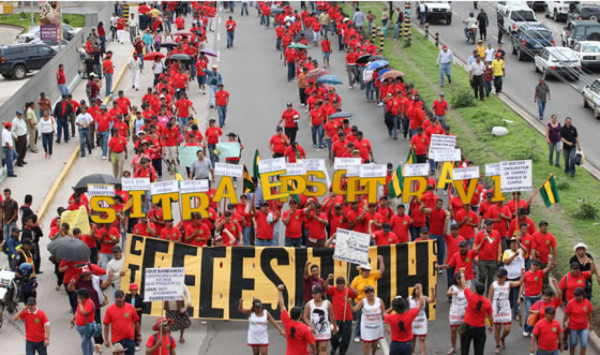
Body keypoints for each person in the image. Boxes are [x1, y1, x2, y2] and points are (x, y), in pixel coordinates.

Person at [488, 268, 524, 354]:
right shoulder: (493, 285)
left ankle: (502, 338)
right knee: (497, 328)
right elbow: (489, 298)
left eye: (501, 278)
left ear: (505, 277)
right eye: (498, 277)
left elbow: (519, 282)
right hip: (496, 308)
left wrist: (523, 274)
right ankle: (497, 345)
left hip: (506, 308)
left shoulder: (508, 284)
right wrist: (488, 311)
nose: (499, 279)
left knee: (507, 328)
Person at [350, 255, 385, 342]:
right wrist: (349, 287)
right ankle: (358, 335)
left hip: (371, 302)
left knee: (373, 319)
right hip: (360, 302)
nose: (367, 272)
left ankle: (374, 336)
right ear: (361, 270)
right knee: (360, 319)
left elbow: (381, 270)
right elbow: (352, 289)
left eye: (368, 270)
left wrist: (381, 261)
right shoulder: (356, 279)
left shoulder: (373, 276)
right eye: (365, 270)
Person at [277, 284, 316, 354]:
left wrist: (280, 292)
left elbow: (282, 306)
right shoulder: (304, 328)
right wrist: (314, 350)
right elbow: (312, 343)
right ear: (300, 315)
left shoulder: (287, 322)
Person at [324, 275, 357, 355]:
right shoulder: (334, 290)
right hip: (336, 319)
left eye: (342, 283)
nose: (340, 285)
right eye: (338, 284)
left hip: (347, 318)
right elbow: (325, 286)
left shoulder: (347, 290)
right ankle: (334, 347)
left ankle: (342, 352)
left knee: (346, 339)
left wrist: (350, 287)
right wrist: (328, 279)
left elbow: (356, 294)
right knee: (334, 337)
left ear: (344, 284)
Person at [461, 277, 494, 355]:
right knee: (479, 350)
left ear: (476, 290)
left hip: (468, 326)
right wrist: (491, 325)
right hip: (480, 328)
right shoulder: (487, 302)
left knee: (465, 348)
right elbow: (490, 316)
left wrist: (462, 274)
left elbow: (464, 285)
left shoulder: (471, 297)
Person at [103, 289, 140, 355]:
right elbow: (106, 324)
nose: (118, 299)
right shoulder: (109, 310)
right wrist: (106, 339)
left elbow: (136, 322)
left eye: (120, 297)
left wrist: (139, 335)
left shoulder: (131, 307)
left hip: (130, 338)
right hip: (117, 340)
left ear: (124, 297)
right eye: (117, 297)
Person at [350, 285, 384, 355]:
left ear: (374, 293)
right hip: (366, 327)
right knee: (366, 345)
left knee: (375, 344)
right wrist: (350, 303)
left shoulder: (379, 301)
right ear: (365, 294)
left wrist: (388, 325)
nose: (370, 294)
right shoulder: (363, 301)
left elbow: (384, 313)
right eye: (367, 293)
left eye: (371, 292)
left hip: (377, 327)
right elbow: (354, 309)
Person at [303, 286, 336, 354]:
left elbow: (332, 316)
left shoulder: (327, 303)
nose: (313, 295)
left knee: (323, 348)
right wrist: (311, 325)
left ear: (321, 294)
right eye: (313, 293)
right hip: (313, 330)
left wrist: (334, 326)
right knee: (315, 349)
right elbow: (305, 317)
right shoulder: (309, 304)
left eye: (316, 293)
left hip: (324, 330)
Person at [563, 287, 592, 355]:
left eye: (578, 296)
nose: (576, 297)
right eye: (575, 295)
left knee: (584, 344)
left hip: (584, 327)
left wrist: (590, 324)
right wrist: (564, 324)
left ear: (582, 295)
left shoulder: (587, 302)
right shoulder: (570, 303)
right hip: (573, 327)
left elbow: (590, 313)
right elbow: (566, 315)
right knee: (573, 344)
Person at [474, 219, 501, 292]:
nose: (489, 227)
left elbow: (499, 246)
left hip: (493, 260)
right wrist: (476, 257)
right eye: (488, 225)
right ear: (485, 226)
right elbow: (475, 246)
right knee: (482, 276)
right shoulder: (480, 234)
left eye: (491, 225)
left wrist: (499, 256)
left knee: (491, 278)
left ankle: (489, 295)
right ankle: (480, 292)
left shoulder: (496, 233)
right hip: (482, 259)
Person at [409, 284, 435, 355]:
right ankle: (413, 352)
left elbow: (432, 300)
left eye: (419, 289)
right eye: (416, 289)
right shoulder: (410, 298)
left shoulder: (424, 298)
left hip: (421, 320)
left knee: (422, 338)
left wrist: (433, 292)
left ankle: (422, 353)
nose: (417, 291)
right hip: (413, 321)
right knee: (413, 338)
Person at [447, 269, 468, 355]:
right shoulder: (453, 287)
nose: (459, 280)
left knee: (462, 330)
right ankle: (453, 347)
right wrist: (452, 293)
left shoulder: (466, 287)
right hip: (455, 310)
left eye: (460, 278)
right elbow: (447, 293)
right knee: (453, 329)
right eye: (458, 278)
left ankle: (462, 345)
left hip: (463, 310)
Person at [71, 288, 95, 355]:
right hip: (81, 327)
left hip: (88, 327)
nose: (77, 298)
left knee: (84, 343)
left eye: (79, 297)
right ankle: (92, 352)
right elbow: (77, 311)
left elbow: (84, 312)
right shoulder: (81, 303)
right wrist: (73, 318)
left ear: (83, 298)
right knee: (88, 341)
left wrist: (80, 304)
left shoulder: (89, 303)